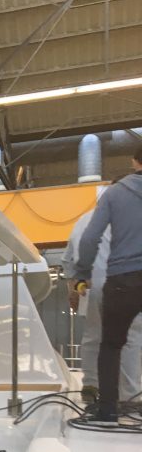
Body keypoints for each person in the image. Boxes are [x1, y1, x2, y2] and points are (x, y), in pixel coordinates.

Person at [74, 147, 142, 422]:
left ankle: (108, 411)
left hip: (123, 280)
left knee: (111, 344)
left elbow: (90, 238)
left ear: (134, 161)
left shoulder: (114, 194)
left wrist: (82, 273)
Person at [62, 203, 142, 404]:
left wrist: (72, 289)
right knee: (130, 338)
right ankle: (129, 396)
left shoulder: (83, 220)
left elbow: (68, 259)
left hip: (91, 286)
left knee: (93, 336)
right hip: (123, 283)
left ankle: (91, 388)